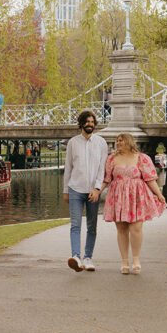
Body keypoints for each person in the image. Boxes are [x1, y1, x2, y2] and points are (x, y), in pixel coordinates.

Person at [92, 133, 166, 274]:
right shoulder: (111, 159)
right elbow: (106, 179)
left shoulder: (142, 158)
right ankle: (124, 261)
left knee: (136, 228)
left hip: (136, 196)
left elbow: (150, 179)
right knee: (122, 229)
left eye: (121, 140)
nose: (118, 143)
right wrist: (97, 191)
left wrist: (159, 194)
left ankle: (136, 259)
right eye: (117, 140)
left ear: (129, 142)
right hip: (118, 196)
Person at [62, 109, 109, 272]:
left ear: (94, 124)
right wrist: (65, 190)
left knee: (92, 226)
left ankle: (88, 258)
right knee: (75, 225)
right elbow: (68, 168)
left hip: (93, 191)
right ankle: (76, 256)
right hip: (75, 188)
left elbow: (102, 169)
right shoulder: (73, 143)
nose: (89, 124)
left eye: (92, 122)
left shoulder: (101, 143)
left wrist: (97, 188)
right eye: (86, 121)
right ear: (81, 124)